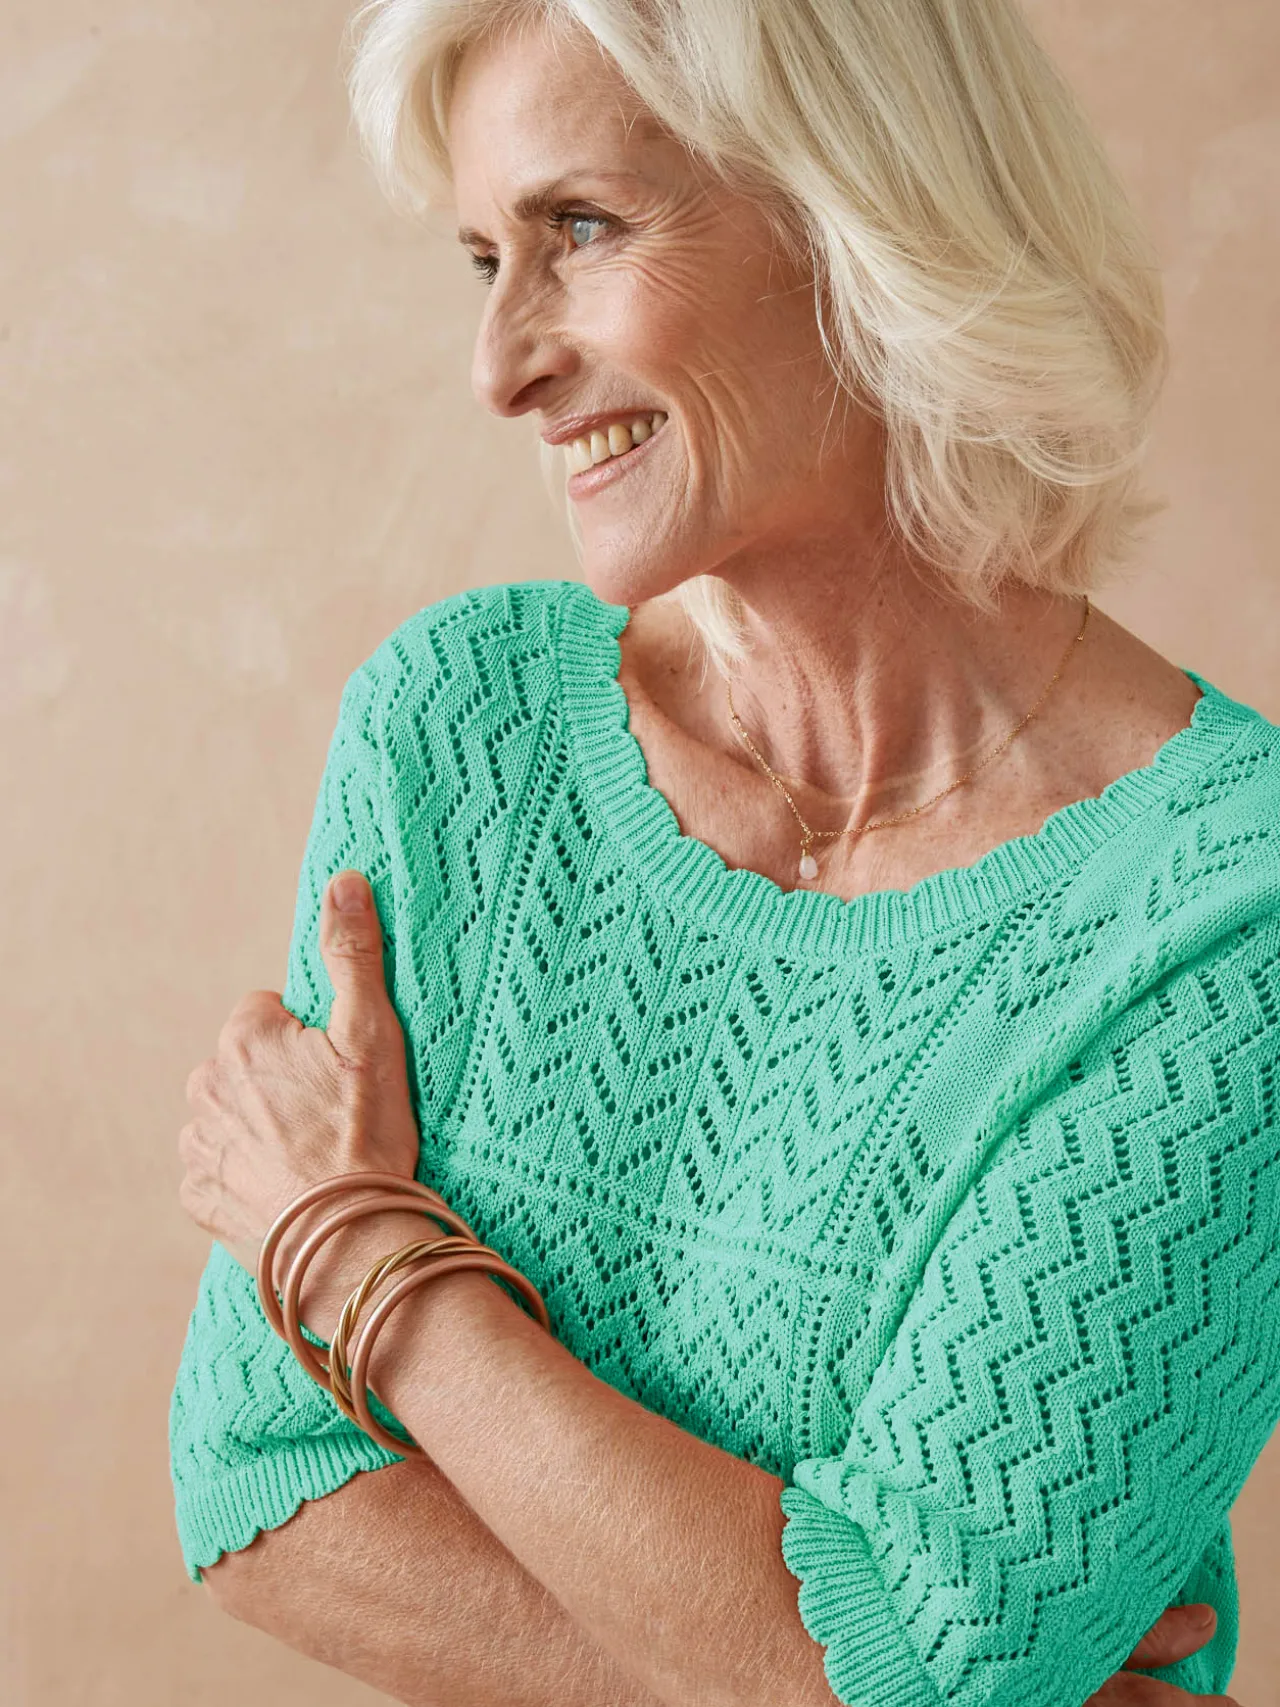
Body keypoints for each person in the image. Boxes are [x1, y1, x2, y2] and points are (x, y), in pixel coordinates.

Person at [170, 4, 1280, 1704]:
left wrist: (361, 1255)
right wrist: (813, 1667)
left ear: (864, 207)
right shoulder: (467, 733)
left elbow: (907, 1673)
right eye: (484, 259)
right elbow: (258, 1487)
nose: (500, 365)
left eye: (581, 227)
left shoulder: (1223, 914)